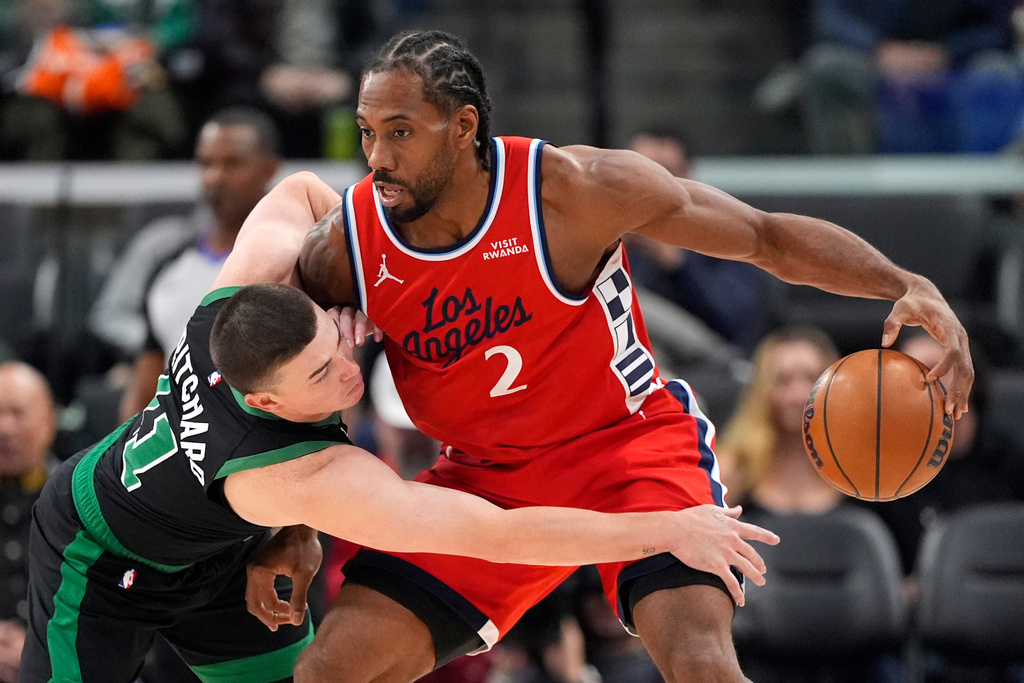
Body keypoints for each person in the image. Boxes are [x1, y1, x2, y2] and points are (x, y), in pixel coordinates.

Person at [288, 29, 973, 682]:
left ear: (465, 126)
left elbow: (765, 237)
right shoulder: (343, 249)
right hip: (485, 481)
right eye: (370, 131)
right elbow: (280, 401)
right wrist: (285, 537)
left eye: (400, 132)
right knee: (329, 669)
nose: (376, 156)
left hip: (629, 453)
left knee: (699, 662)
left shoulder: (574, 191)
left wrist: (906, 284)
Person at [19, 170, 779, 683]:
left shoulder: (238, 301)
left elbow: (305, 190)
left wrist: (349, 259)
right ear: (271, 405)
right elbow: (496, 534)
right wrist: (665, 530)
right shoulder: (291, 471)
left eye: (334, 342)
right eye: (322, 377)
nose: (349, 372)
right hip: (99, 556)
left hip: (220, 551)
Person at [88, 106, 281, 422]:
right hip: (182, 444)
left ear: (270, 168)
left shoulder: (295, 262)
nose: (215, 177)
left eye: (232, 163)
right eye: (206, 164)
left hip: (271, 445)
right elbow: (145, 391)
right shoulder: (168, 265)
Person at [801, 0, 1020, 154]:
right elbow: (832, 19)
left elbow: (997, 29)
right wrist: (879, 51)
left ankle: (987, 196)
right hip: (872, 63)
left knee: (997, 72)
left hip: (957, 67)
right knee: (826, 66)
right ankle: (848, 196)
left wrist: (944, 54)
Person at [623, 128, 768, 355]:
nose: (650, 186)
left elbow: (738, 323)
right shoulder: (613, 239)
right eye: (639, 172)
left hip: (711, 366)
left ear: (688, 175)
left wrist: (676, 267)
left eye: (664, 172)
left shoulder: (726, 234)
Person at [715, 326, 844, 511]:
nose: (799, 395)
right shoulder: (732, 470)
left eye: (812, 379)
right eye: (783, 380)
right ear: (762, 390)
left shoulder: (861, 467)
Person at [0, 361, 58, 683]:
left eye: (18, 413)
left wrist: (39, 649)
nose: (5, 428)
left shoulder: (81, 504)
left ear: (49, 420)